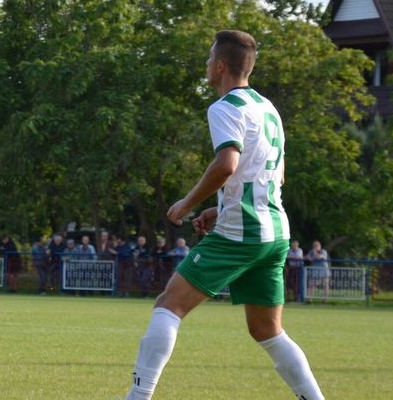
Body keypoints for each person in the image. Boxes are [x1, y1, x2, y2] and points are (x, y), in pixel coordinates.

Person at [116, 30, 324, 400]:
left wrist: (188, 202)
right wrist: (222, 206)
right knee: (267, 330)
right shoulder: (268, 108)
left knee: (169, 305)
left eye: (209, 59)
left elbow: (226, 164)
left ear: (221, 65)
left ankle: (137, 398)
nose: (206, 65)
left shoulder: (225, 107)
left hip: (241, 234)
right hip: (274, 232)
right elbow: (275, 174)